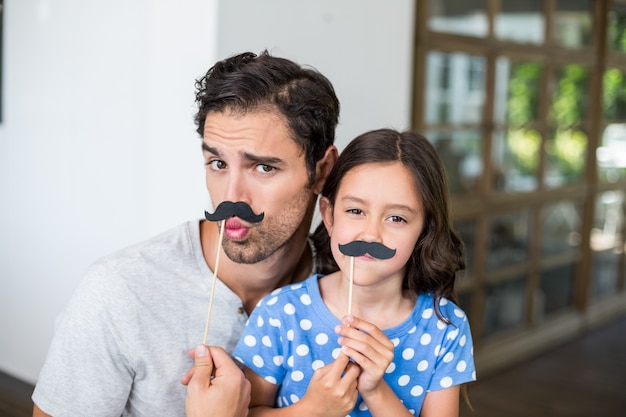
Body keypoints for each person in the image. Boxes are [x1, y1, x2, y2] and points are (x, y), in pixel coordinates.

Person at [32, 50, 340, 417]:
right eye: (218, 163)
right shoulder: (120, 290)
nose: (231, 197)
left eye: (262, 167)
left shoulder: (351, 285)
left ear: (322, 171)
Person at [232, 129, 476, 417]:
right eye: (356, 211)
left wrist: (375, 390)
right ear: (329, 215)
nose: (371, 234)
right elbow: (245, 413)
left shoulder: (444, 328)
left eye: (396, 218)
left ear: (424, 231)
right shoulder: (280, 314)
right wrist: (312, 409)